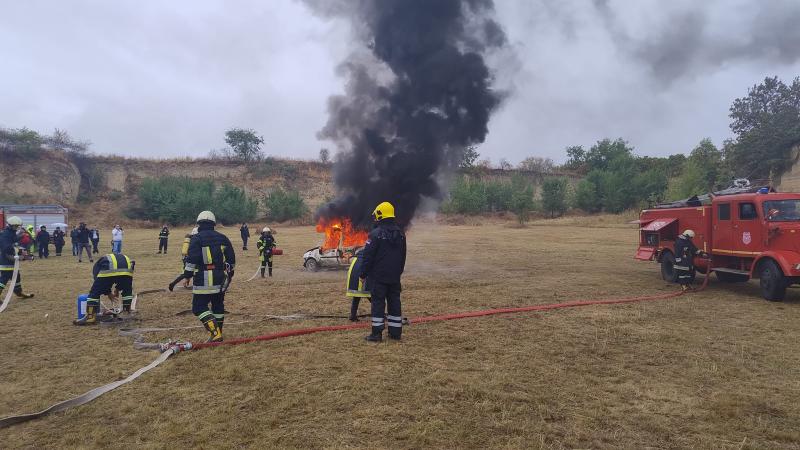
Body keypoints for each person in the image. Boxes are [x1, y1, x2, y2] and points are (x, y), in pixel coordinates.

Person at [169, 211, 235, 342]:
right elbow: (231, 260)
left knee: (198, 307)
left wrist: (187, 275)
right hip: (220, 278)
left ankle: (215, 333)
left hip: (203, 279)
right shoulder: (223, 238)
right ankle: (218, 333)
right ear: (213, 223)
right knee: (218, 305)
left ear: (199, 223)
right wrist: (228, 274)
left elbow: (191, 260)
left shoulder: (197, 239)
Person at [360, 202, 407, 342]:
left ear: (380, 215)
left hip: (378, 277)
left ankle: (376, 334)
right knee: (395, 303)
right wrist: (398, 272)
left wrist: (363, 274)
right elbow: (403, 256)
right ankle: (395, 333)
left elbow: (368, 257)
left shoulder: (375, 234)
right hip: (394, 277)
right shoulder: (401, 234)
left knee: (378, 304)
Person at [73, 252, 135, 325]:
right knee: (127, 290)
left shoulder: (97, 266)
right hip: (127, 269)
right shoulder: (118, 258)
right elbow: (122, 280)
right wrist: (116, 289)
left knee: (94, 292)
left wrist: (108, 292)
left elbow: (101, 284)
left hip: (110, 268)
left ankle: (90, 317)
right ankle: (126, 312)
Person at [0, 216, 34, 301]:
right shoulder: (6, 234)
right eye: (16, 226)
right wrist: (19, 251)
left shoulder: (11, 233)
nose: (17, 228)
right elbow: (6, 248)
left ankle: (18, 292)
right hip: (6, 261)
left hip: (12, 260)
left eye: (18, 226)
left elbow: (14, 241)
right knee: (4, 279)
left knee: (16, 276)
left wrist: (21, 236)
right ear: (11, 225)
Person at [346, 249, 370, 322]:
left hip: (353, 278)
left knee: (356, 297)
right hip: (362, 278)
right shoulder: (368, 258)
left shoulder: (357, 257)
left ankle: (353, 316)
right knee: (373, 297)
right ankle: (380, 314)